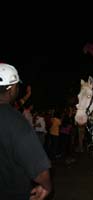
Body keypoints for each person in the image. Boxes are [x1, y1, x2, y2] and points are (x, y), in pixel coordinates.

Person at [0, 63, 51, 200]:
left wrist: (28, 95)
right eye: (17, 85)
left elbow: (19, 103)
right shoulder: (16, 122)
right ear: (11, 89)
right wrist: (46, 185)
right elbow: (39, 170)